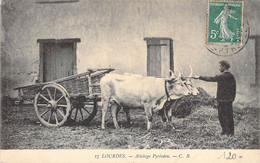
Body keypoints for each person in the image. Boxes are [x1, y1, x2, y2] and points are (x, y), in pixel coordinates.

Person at [193, 60, 236, 136]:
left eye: (220, 66)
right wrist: (232, 99)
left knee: (222, 116)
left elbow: (210, 79)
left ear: (223, 67)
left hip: (222, 100)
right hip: (229, 100)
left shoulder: (221, 76)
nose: (219, 68)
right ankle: (230, 133)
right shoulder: (231, 76)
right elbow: (233, 89)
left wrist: (199, 77)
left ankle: (225, 131)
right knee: (229, 116)